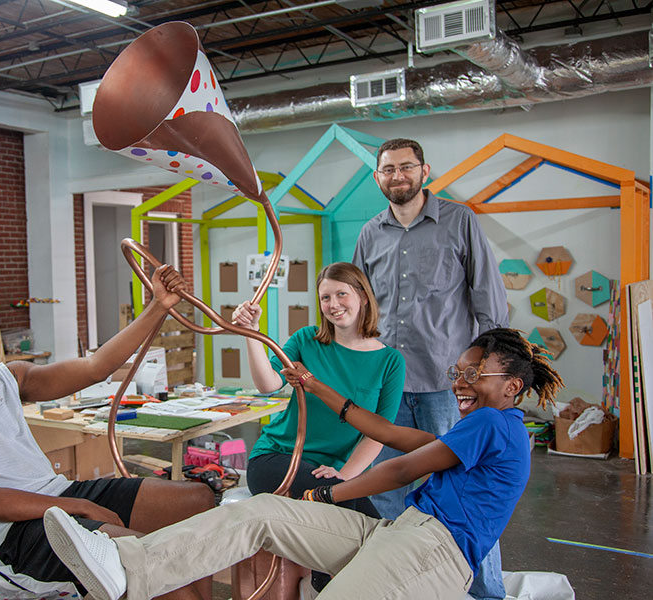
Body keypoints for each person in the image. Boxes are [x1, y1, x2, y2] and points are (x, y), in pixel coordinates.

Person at [44, 328, 563, 600]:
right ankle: (128, 570)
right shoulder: (480, 431)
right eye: (460, 370)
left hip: (433, 553)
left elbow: (401, 468)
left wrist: (325, 495)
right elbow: (390, 433)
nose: (461, 381)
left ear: (512, 386)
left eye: (476, 373)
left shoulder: (496, 424)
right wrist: (317, 387)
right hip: (398, 532)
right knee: (262, 512)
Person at [0, 265, 215, 600]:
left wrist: (158, 306)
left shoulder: (3, 377)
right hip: (10, 536)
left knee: (197, 500)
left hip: (57, 493)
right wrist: (78, 507)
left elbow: (95, 368)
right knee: (152, 567)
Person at [352, 138, 509, 599]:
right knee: (384, 489)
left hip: (449, 386)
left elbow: (489, 302)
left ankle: (484, 592)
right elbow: (356, 307)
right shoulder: (369, 233)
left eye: (406, 167)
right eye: (387, 169)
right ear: (377, 177)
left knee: (464, 492)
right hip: (387, 386)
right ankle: (412, 583)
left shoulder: (459, 222)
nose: (397, 176)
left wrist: (492, 379)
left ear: (425, 171)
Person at [232, 263, 404, 512]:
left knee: (360, 515)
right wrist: (251, 332)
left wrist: (344, 475)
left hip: (336, 471)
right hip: (280, 458)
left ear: (363, 297)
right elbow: (267, 384)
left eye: (341, 294)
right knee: (364, 516)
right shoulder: (306, 339)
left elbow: (379, 433)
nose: (333, 304)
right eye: (325, 297)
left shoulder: (390, 361)